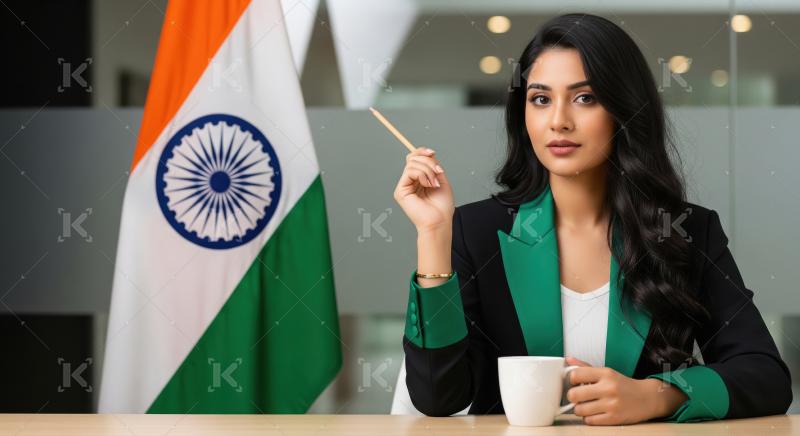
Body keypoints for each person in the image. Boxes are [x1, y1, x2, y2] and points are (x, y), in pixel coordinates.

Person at [392, 13, 792, 425]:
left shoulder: (687, 232)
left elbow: (766, 377)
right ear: (523, 113)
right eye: (541, 99)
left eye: (585, 98)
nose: (558, 121)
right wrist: (433, 234)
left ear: (624, 111)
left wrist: (658, 396)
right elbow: (439, 398)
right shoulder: (475, 232)